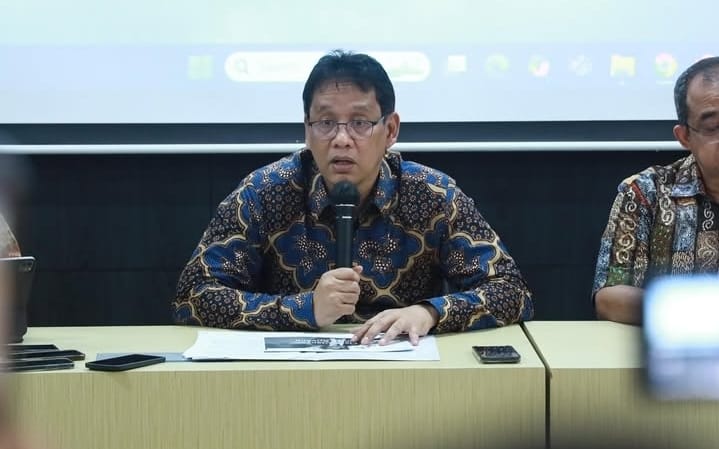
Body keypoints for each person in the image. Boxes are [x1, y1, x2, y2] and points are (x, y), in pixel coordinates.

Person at [173, 50, 533, 344]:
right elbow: (193, 296)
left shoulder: (433, 194)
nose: (342, 139)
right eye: (326, 123)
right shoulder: (265, 192)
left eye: (360, 123)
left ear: (390, 130)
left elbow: (511, 291)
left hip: (403, 377)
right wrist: (305, 309)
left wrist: (428, 313)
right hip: (290, 380)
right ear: (307, 130)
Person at [593, 56, 719, 324]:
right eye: (713, 127)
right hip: (679, 343)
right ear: (684, 137)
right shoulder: (647, 192)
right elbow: (609, 297)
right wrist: (702, 315)